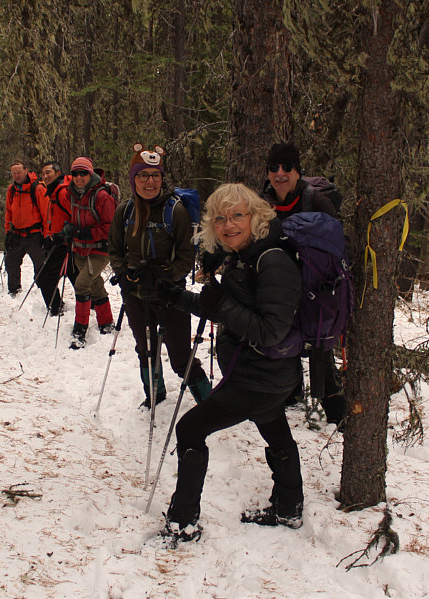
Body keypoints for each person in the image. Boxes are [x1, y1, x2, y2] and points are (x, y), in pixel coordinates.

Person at [155, 183, 305, 545]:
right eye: (220, 218)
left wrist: (219, 304)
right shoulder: (245, 256)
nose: (228, 224)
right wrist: (179, 298)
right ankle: (289, 506)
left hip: (259, 377)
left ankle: (183, 521)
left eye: (238, 215)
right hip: (267, 375)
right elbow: (224, 306)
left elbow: (270, 331)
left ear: (256, 217)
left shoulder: (272, 261)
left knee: (190, 430)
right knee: (273, 424)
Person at [108, 144, 211, 408]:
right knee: (146, 350)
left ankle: (210, 404)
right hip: (136, 296)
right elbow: (115, 250)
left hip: (170, 297)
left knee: (180, 357)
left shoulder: (174, 211)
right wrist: (124, 274)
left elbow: (187, 255)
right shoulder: (124, 211)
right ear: (134, 179)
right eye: (143, 175)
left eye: (155, 175)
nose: (150, 181)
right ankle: (155, 394)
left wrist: (167, 277)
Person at [261, 142, 345, 426]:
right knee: (283, 340)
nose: (280, 173)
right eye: (274, 168)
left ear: (298, 171)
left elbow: (337, 246)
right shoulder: (263, 204)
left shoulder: (316, 201)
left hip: (315, 289)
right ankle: (290, 395)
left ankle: (335, 412)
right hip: (279, 290)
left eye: (287, 167)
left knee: (321, 348)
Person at [64, 157, 115, 349]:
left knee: (82, 283)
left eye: (83, 173)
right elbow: (73, 216)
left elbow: (110, 227)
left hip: (100, 249)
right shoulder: (73, 193)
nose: (79, 177)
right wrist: (68, 229)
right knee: (94, 283)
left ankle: (80, 329)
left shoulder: (101, 196)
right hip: (80, 247)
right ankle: (106, 322)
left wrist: (86, 232)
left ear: (90, 173)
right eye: (75, 173)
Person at [36, 161, 77, 316]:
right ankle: (92, 304)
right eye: (43, 173)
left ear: (58, 173)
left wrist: (65, 234)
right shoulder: (53, 191)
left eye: (48, 172)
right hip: (60, 241)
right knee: (75, 275)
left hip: (65, 244)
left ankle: (55, 308)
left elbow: (76, 216)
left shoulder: (62, 192)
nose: (45, 176)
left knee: (44, 277)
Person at [4, 161, 47, 297]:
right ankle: (14, 291)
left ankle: (43, 292)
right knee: (11, 261)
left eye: (19, 172)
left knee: (40, 265)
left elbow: (46, 213)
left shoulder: (37, 188)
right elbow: (8, 212)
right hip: (17, 234)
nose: (16, 176)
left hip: (34, 234)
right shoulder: (12, 190)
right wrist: (7, 232)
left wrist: (47, 235)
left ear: (26, 170)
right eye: (14, 173)